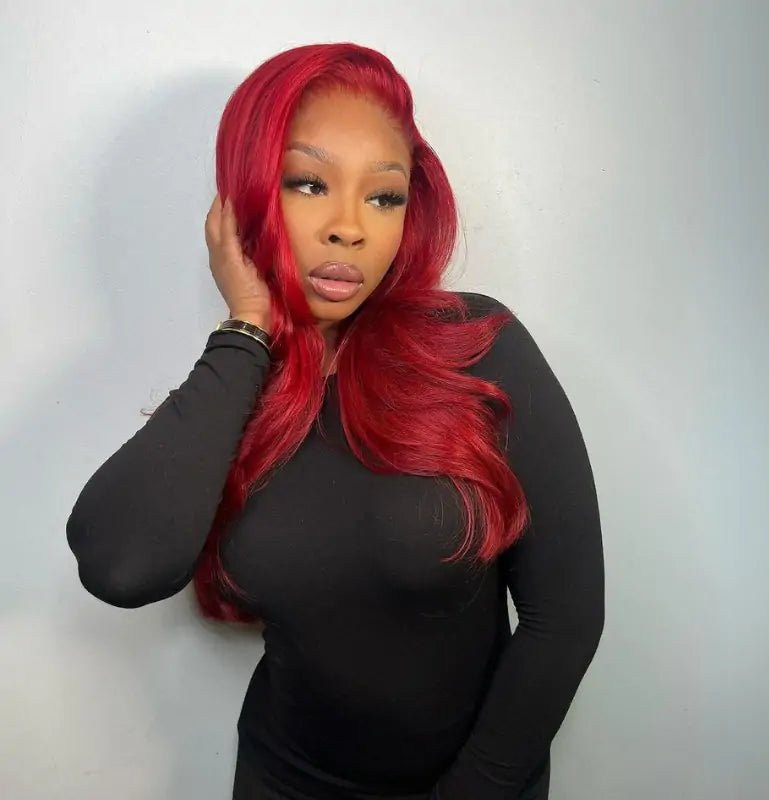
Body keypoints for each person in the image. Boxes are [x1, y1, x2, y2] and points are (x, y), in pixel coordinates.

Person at [65, 43, 605, 800]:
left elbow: (565, 618)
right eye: (309, 183)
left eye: (383, 197)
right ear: (246, 199)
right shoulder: (235, 386)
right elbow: (120, 568)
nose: (349, 227)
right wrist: (246, 327)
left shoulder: (477, 349)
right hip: (283, 780)